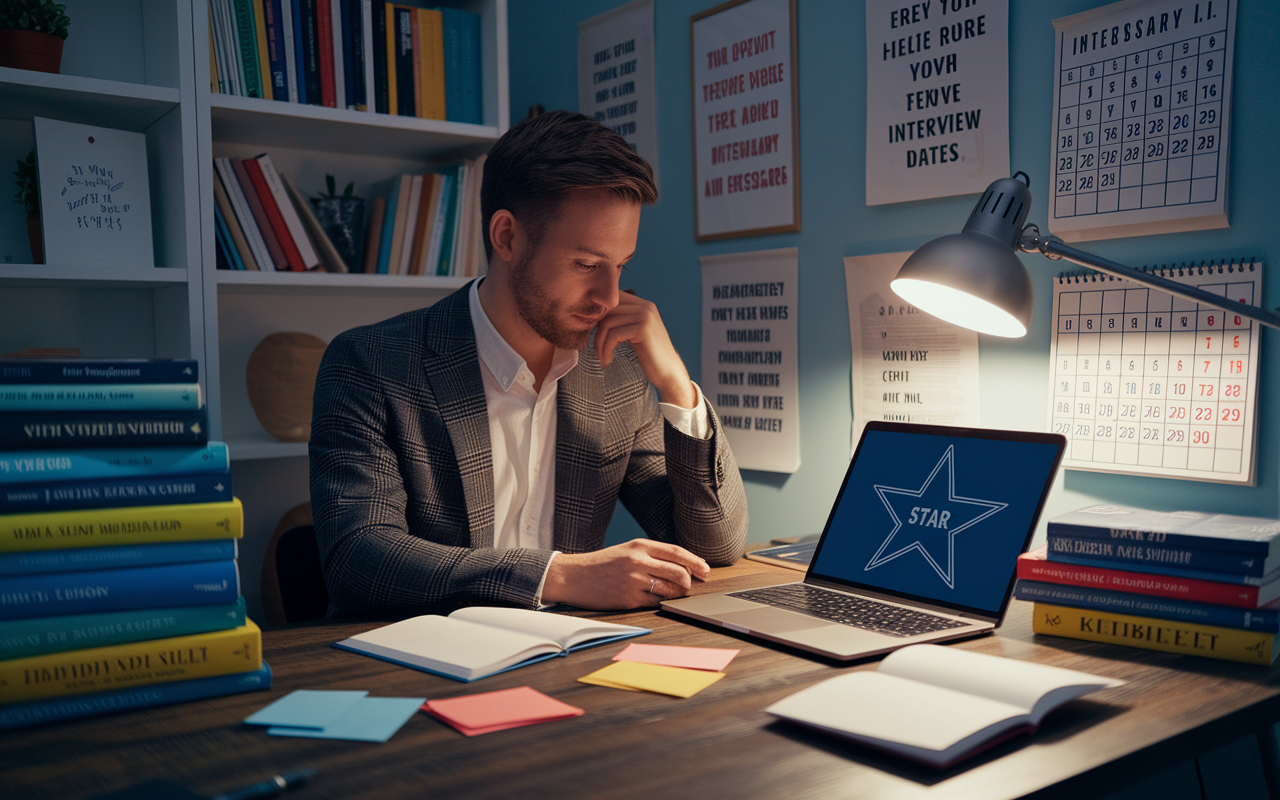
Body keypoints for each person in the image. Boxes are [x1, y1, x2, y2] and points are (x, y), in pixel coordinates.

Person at [309, 110, 748, 616]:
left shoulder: (617, 369)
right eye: (586, 265)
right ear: (507, 238)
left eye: (620, 266)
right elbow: (357, 560)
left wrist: (677, 386)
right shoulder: (368, 364)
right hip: (421, 662)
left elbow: (713, 547)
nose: (609, 297)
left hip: (565, 659)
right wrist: (555, 575)